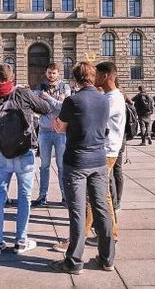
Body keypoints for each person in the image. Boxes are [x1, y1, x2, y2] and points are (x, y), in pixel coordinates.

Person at [49, 62, 115, 275]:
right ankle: (106, 259)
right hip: (99, 160)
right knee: (102, 209)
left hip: (76, 162)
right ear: (92, 76)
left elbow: (60, 127)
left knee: (77, 212)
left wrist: (59, 125)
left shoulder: (72, 100)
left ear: (75, 78)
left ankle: (74, 261)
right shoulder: (104, 100)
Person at [0, 64, 49, 256]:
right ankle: (20, 241)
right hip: (24, 153)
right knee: (24, 198)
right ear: (12, 77)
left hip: (2, 156)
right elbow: (45, 108)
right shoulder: (22, 93)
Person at [86, 61, 125, 245]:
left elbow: (93, 119)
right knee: (100, 194)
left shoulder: (111, 100)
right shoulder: (111, 97)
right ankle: (107, 233)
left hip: (106, 151)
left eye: (97, 75)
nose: (94, 78)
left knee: (97, 194)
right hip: (106, 150)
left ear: (106, 77)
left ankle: (96, 234)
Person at [33, 63, 71, 206]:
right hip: (44, 131)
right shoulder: (39, 88)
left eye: (54, 73)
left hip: (60, 132)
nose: (51, 75)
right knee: (44, 166)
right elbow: (39, 107)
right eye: (49, 72)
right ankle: (42, 196)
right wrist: (56, 103)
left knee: (62, 165)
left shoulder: (65, 87)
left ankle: (65, 196)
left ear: (58, 74)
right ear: (46, 72)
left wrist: (48, 98)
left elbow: (64, 107)